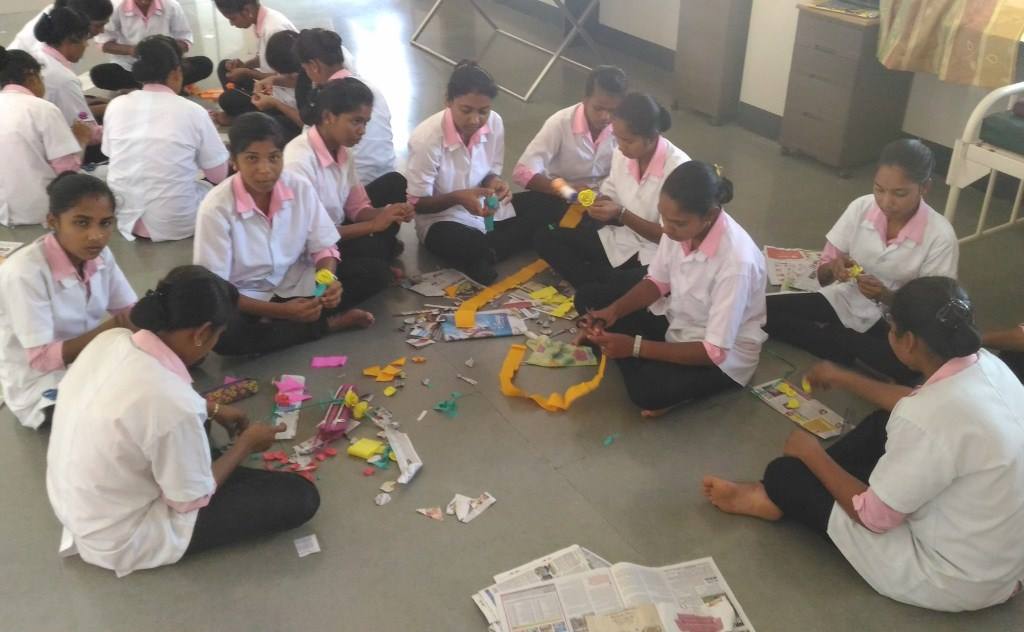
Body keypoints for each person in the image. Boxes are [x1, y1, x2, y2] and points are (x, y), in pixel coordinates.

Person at [704, 277, 1024, 613]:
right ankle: (808, 486)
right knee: (883, 423)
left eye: (891, 327)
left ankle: (773, 495)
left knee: (786, 473)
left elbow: (873, 518)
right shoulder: (988, 364)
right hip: (1004, 558)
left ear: (909, 341)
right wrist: (845, 378)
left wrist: (811, 454)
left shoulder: (927, 418)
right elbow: (913, 401)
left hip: (954, 577)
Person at [46, 265, 320, 577]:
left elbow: (139, 405)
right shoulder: (172, 403)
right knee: (300, 496)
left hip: (80, 505)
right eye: (217, 335)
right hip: (124, 535)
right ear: (202, 333)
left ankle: (199, 467)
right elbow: (189, 501)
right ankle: (205, 470)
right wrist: (245, 445)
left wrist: (211, 408)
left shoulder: (113, 339)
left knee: (191, 408)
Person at [574, 161, 766, 417]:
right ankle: (623, 349)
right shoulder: (680, 230)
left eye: (677, 223)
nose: (666, 228)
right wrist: (613, 312)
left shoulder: (736, 264)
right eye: (663, 216)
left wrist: (633, 347)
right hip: (679, 318)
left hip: (720, 357)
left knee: (646, 392)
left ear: (708, 216)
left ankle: (623, 352)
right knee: (590, 299)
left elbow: (714, 352)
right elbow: (657, 282)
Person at [764, 140, 959, 385]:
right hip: (844, 299)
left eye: (900, 193)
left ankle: (838, 342)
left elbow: (932, 313)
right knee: (759, 309)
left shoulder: (940, 236)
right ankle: (844, 345)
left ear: (924, 188)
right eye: (879, 189)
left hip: (892, 324)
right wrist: (834, 268)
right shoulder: (861, 208)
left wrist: (887, 297)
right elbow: (822, 274)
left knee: (910, 367)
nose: (886, 202)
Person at [193, 112, 374, 356]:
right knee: (227, 339)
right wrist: (282, 311)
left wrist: (326, 281)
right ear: (234, 160)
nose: (265, 170)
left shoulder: (298, 186)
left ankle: (291, 323)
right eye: (252, 159)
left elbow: (324, 246)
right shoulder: (216, 208)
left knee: (373, 273)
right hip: (247, 296)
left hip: (294, 279)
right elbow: (218, 288)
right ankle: (328, 324)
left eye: (274, 158)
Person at [0, 173, 137, 429]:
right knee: (118, 418)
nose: (96, 236)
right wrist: (113, 327)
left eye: (105, 223)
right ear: (53, 221)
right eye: (82, 223)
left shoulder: (101, 257)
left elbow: (128, 309)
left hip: (89, 360)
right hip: (42, 382)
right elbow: (41, 360)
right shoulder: (24, 273)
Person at [534, 92, 690, 289]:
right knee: (545, 238)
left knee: (621, 287)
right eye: (617, 138)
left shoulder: (678, 170)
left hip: (655, 255)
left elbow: (671, 235)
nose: (620, 147)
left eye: (628, 141)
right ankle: (602, 282)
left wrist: (621, 214)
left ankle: (602, 283)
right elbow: (611, 196)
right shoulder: (621, 154)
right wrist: (594, 200)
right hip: (620, 241)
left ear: (651, 138)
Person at [284, 78, 413, 305]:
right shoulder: (299, 163)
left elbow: (357, 208)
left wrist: (388, 212)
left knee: (394, 183)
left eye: (365, 122)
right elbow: (309, 237)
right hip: (310, 252)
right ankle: (320, 309)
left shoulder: (344, 152)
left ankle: (378, 254)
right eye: (356, 121)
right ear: (328, 117)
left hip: (335, 235)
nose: (362, 130)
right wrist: (374, 225)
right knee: (375, 273)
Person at [405, 61, 534, 284]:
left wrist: (495, 182)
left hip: (484, 210)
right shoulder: (426, 139)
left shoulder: (494, 123)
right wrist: (458, 198)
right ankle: (504, 244)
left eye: (483, 111)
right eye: (466, 110)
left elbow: (490, 170)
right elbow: (417, 204)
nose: (475, 120)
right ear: (448, 100)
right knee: (469, 247)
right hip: (442, 219)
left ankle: (490, 250)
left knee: (542, 202)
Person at [102, 36, 229, 241]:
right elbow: (218, 176)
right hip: (178, 222)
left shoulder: (116, 105)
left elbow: (111, 154)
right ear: (177, 72)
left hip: (126, 217)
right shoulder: (192, 111)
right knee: (219, 184)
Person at [512, 65, 626, 225]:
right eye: (598, 108)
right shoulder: (560, 123)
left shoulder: (624, 127)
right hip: (559, 194)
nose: (605, 117)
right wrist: (567, 191)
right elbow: (522, 173)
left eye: (613, 110)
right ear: (585, 100)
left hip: (601, 201)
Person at [294, 28, 395, 188]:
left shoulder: (327, 99)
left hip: (356, 186)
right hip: (388, 176)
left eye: (305, 69)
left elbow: (311, 147)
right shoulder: (369, 87)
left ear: (314, 65)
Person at [0, 46, 88, 227]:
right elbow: (67, 172)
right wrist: (81, 140)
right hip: (40, 212)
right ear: (32, 77)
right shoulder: (43, 109)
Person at [89, 0, 213, 91]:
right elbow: (103, 43)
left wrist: (166, 49)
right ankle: (165, 87)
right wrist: (133, 50)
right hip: (131, 68)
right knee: (98, 74)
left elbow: (185, 39)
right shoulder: (116, 7)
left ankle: (143, 89)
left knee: (204, 64)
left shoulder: (171, 5)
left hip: (166, 67)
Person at [34, 6, 105, 163]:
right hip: (53, 153)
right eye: (85, 39)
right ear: (71, 39)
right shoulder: (63, 79)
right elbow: (88, 131)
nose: (87, 45)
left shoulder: (39, 54)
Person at [211, 0, 296, 125]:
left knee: (228, 99)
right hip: (270, 87)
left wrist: (248, 73)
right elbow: (263, 57)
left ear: (247, 11)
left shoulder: (274, 29)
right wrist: (245, 65)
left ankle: (243, 118)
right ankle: (243, 114)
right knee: (224, 67)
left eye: (233, 18)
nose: (231, 24)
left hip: (284, 96)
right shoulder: (262, 21)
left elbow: (288, 77)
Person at [8, 0, 112, 56]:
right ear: (81, 19)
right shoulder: (50, 35)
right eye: (98, 25)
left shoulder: (64, 17)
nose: (102, 31)